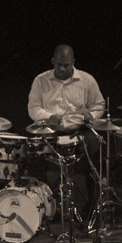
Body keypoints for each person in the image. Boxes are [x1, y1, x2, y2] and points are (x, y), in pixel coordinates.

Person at [27, 44, 106, 222]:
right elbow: (33, 107)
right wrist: (48, 116)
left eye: (67, 65)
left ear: (73, 63)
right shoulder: (40, 80)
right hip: (50, 130)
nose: (62, 69)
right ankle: (43, 205)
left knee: (96, 147)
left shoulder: (87, 80)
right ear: (53, 62)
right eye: (59, 65)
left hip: (79, 129)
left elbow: (99, 105)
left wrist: (91, 115)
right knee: (33, 154)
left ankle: (92, 208)